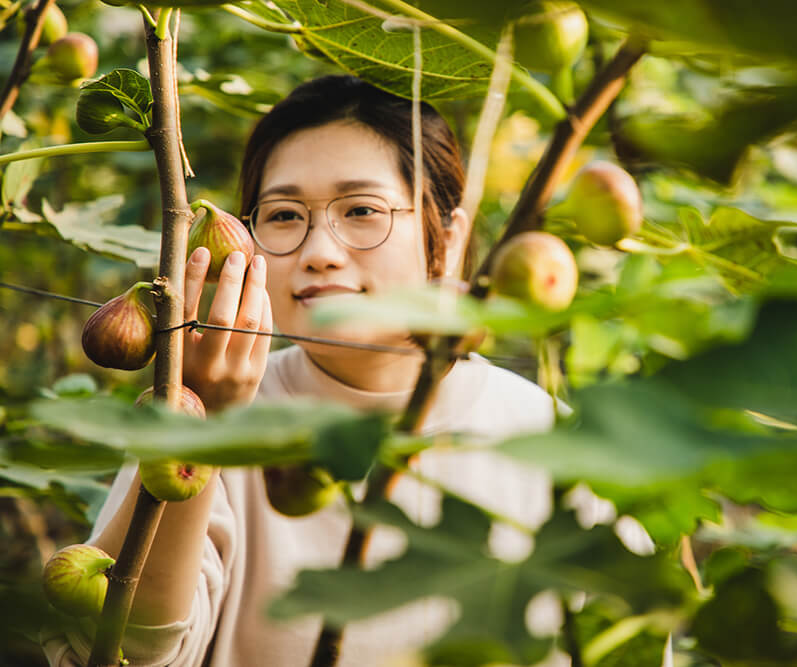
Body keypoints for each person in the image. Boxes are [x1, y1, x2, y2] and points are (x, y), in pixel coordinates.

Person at [42, 75, 570, 667]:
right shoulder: (213, 411)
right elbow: (118, 651)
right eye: (286, 215)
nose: (319, 248)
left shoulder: (559, 440)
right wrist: (201, 426)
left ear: (447, 238)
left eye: (362, 209)